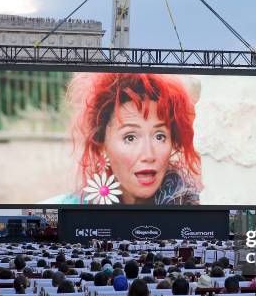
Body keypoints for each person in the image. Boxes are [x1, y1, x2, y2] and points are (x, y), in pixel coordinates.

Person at [43, 73, 202, 205]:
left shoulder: (196, 210)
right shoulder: (63, 211)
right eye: (130, 137)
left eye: (159, 136)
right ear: (102, 144)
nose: (148, 155)